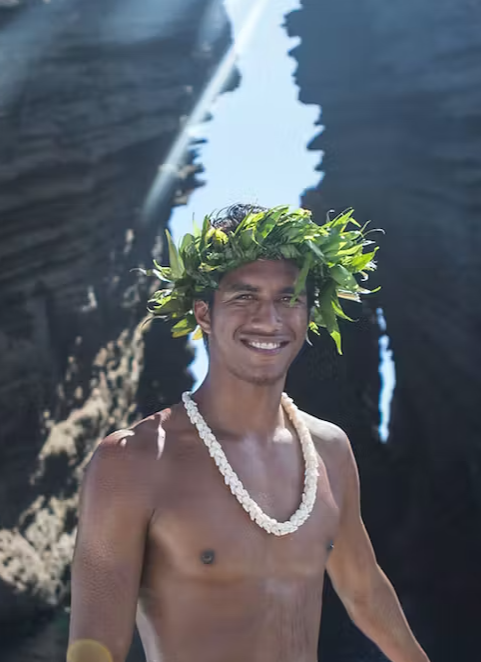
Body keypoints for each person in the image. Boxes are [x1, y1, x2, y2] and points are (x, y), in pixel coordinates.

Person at [67, 204, 429, 662]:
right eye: (244, 297)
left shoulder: (329, 451)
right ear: (203, 312)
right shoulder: (133, 461)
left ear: (308, 314)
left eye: (288, 298)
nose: (270, 319)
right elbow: (95, 643)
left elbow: (362, 588)